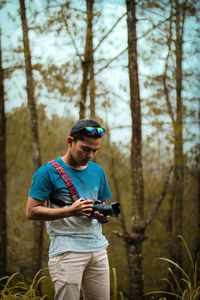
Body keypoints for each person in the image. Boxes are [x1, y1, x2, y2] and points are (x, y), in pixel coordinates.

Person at [26, 118, 112, 300]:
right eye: (85, 149)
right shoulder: (48, 172)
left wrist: (102, 217)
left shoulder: (98, 171)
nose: (90, 156)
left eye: (95, 150)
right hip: (67, 250)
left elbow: (103, 206)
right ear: (70, 142)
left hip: (98, 249)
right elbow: (31, 211)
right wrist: (70, 211)